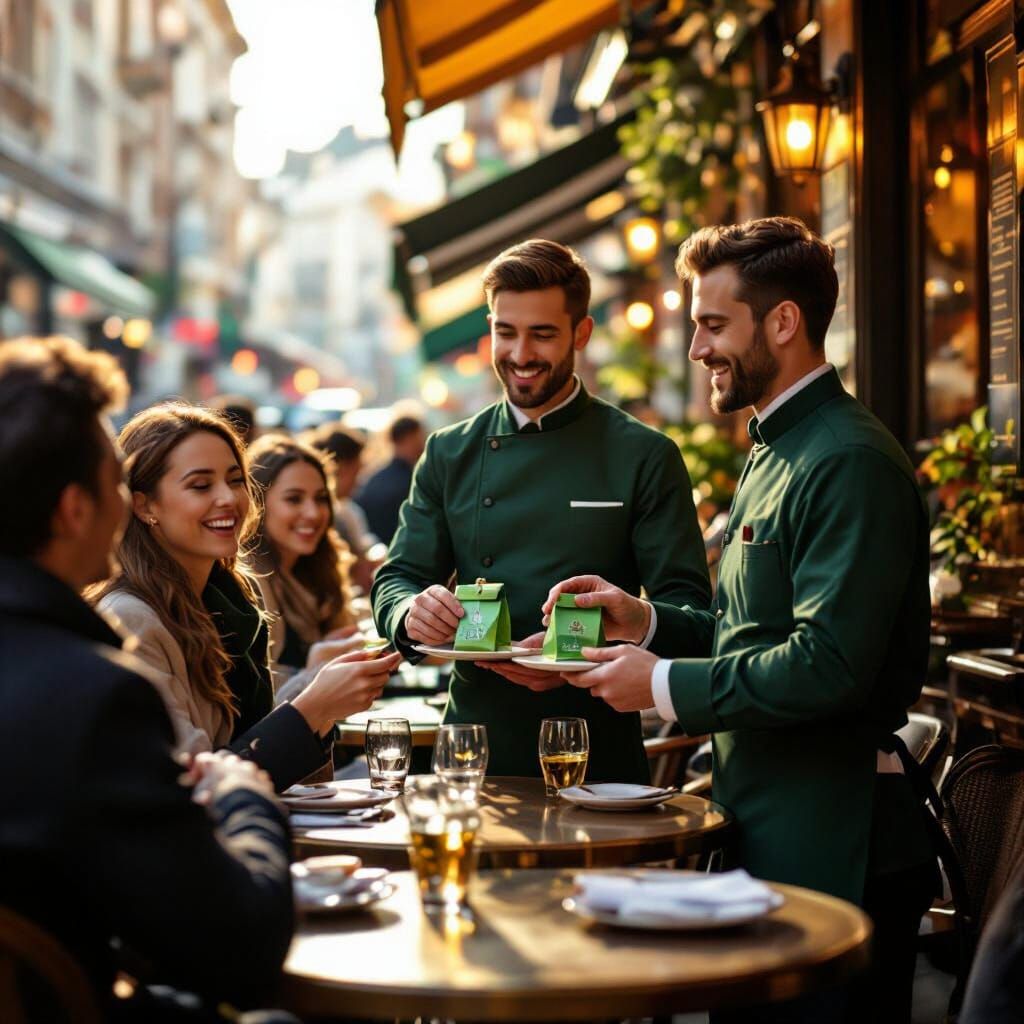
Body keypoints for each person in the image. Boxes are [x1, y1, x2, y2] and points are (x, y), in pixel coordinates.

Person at [545, 217, 934, 1022]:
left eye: (713, 324)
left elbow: (828, 665)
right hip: (770, 828)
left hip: (836, 841)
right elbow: (751, 634)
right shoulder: (777, 447)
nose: (696, 349)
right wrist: (643, 623)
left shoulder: (847, 459)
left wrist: (660, 684)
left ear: (783, 322)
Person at [0, 336, 294, 1019]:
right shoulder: (94, 695)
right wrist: (245, 794)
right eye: (115, 485)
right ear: (77, 509)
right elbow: (238, 949)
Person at [372, 238, 711, 780]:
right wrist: (410, 613)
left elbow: (694, 617)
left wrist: (629, 623)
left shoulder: (644, 455)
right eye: (505, 332)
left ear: (581, 333)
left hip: (598, 751)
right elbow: (398, 578)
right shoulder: (449, 452)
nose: (521, 354)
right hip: (475, 749)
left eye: (542, 334)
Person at [94, 404, 401, 790]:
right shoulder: (130, 620)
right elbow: (194, 786)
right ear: (144, 505)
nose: (228, 498)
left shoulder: (232, 598)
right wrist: (313, 705)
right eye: (201, 485)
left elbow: (270, 760)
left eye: (236, 480)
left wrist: (318, 695)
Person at [249, 432, 365, 697]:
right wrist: (316, 667)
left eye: (321, 498)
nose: (313, 513)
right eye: (294, 499)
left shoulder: (316, 569)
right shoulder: (249, 582)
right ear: (258, 505)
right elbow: (254, 707)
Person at [306, 422, 384, 591]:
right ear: (337, 469)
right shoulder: (334, 516)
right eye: (355, 473)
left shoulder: (349, 511)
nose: (358, 483)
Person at [355, 413, 426, 545]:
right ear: (408, 438)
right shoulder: (412, 481)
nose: (423, 444)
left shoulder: (373, 477)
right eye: (420, 436)